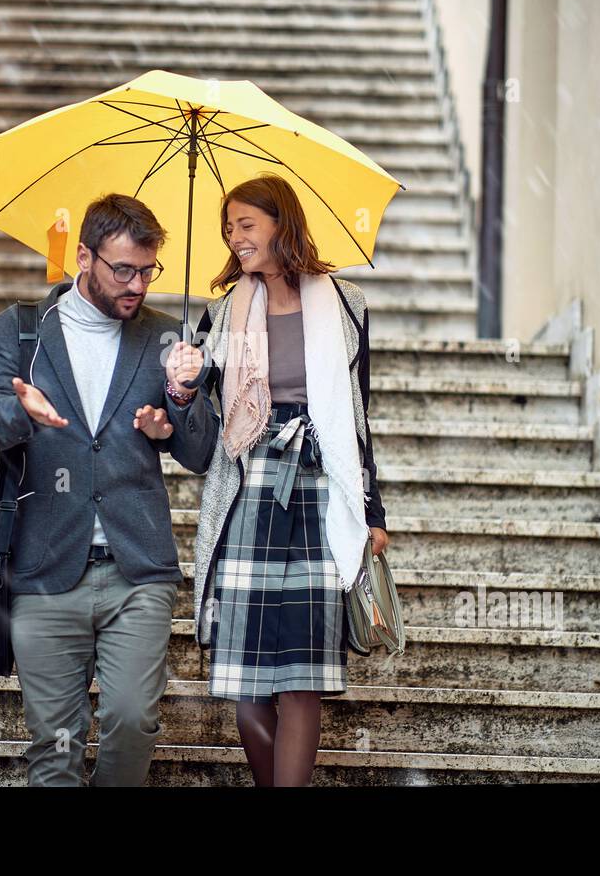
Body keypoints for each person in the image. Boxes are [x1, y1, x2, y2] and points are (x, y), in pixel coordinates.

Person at [0, 193, 216, 786]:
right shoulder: (21, 331)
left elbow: (203, 453)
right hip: (45, 566)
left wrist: (180, 400)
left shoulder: (165, 339)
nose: (136, 285)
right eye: (122, 269)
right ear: (83, 256)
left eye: (147, 270)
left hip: (138, 568)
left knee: (132, 720)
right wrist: (20, 412)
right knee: (55, 747)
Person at [189, 173, 389, 786]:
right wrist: (183, 378)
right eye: (229, 229)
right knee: (243, 675)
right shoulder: (220, 313)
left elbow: (357, 414)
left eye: (247, 224)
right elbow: (196, 423)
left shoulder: (345, 303)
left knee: (303, 673)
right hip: (247, 486)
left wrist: (373, 513)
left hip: (321, 488)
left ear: (282, 225)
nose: (235, 237)